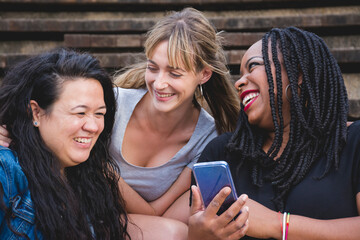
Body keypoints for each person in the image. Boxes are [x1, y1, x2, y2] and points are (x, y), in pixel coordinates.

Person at [188, 26, 360, 239]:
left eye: (253, 66)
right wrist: (198, 234)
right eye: (239, 75)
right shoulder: (223, 153)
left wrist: (278, 225)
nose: (239, 83)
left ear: (297, 73)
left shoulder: (353, 142)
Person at [0, 48, 188, 240]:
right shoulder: (6, 169)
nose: (93, 126)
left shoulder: (87, 180)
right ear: (36, 113)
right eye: (80, 113)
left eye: (99, 114)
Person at [111, 7, 240, 223]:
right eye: (153, 68)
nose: (159, 83)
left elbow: (157, 216)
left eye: (174, 73)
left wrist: (104, 172)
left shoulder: (207, 138)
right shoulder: (113, 104)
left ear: (204, 74)